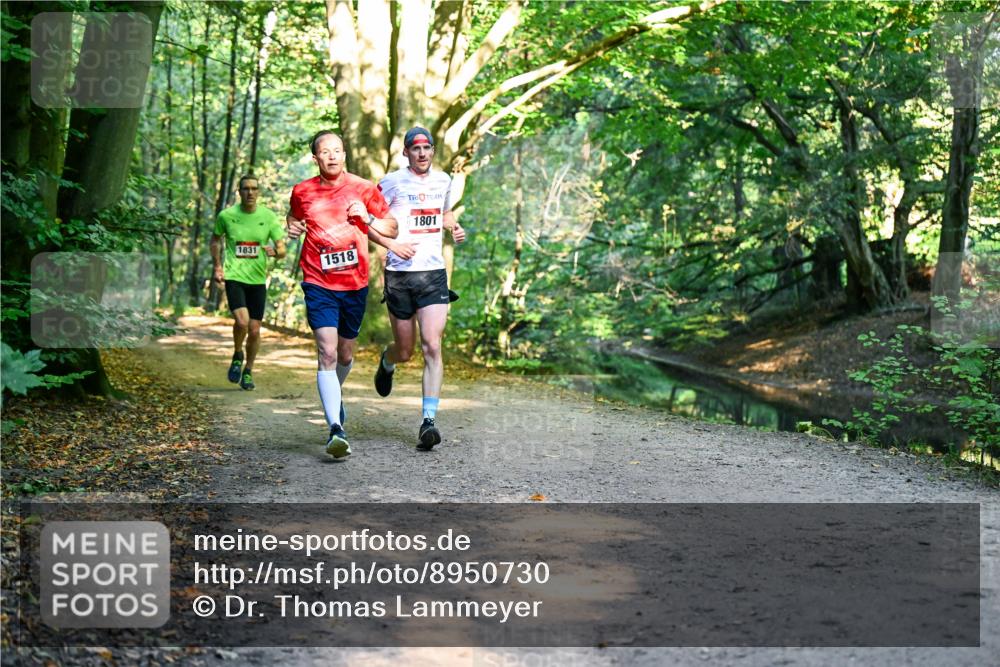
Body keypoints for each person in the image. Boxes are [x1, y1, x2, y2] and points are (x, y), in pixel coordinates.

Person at [285, 130, 409, 459]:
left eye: (337, 150)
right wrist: (291, 226)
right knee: (326, 352)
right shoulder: (302, 191)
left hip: (354, 282)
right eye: (325, 152)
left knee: (344, 355)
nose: (332, 156)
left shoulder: (364, 188)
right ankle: (335, 430)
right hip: (317, 280)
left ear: (344, 155)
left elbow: (392, 227)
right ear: (316, 158)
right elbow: (294, 218)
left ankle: (334, 394)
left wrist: (367, 217)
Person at [371, 127, 466, 451]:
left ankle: (428, 422)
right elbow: (368, 221)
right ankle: (388, 360)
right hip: (399, 275)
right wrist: (391, 244)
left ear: (433, 151)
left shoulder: (443, 181)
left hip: (433, 273)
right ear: (406, 152)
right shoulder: (392, 181)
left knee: (432, 345)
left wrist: (453, 225)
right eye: (416, 148)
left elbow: (445, 212)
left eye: (427, 148)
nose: (422, 153)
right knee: (407, 351)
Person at [211, 174, 287, 391]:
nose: (250, 192)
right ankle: (237, 353)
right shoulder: (226, 216)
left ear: (259, 192)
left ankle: (248, 370)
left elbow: (281, 249)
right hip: (234, 276)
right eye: (246, 189)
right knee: (242, 322)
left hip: (257, 280)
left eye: (254, 188)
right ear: (239, 191)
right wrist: (217, 266)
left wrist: (277, 252)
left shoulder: (268, 217)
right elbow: (215, 240)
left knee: (254, 330)